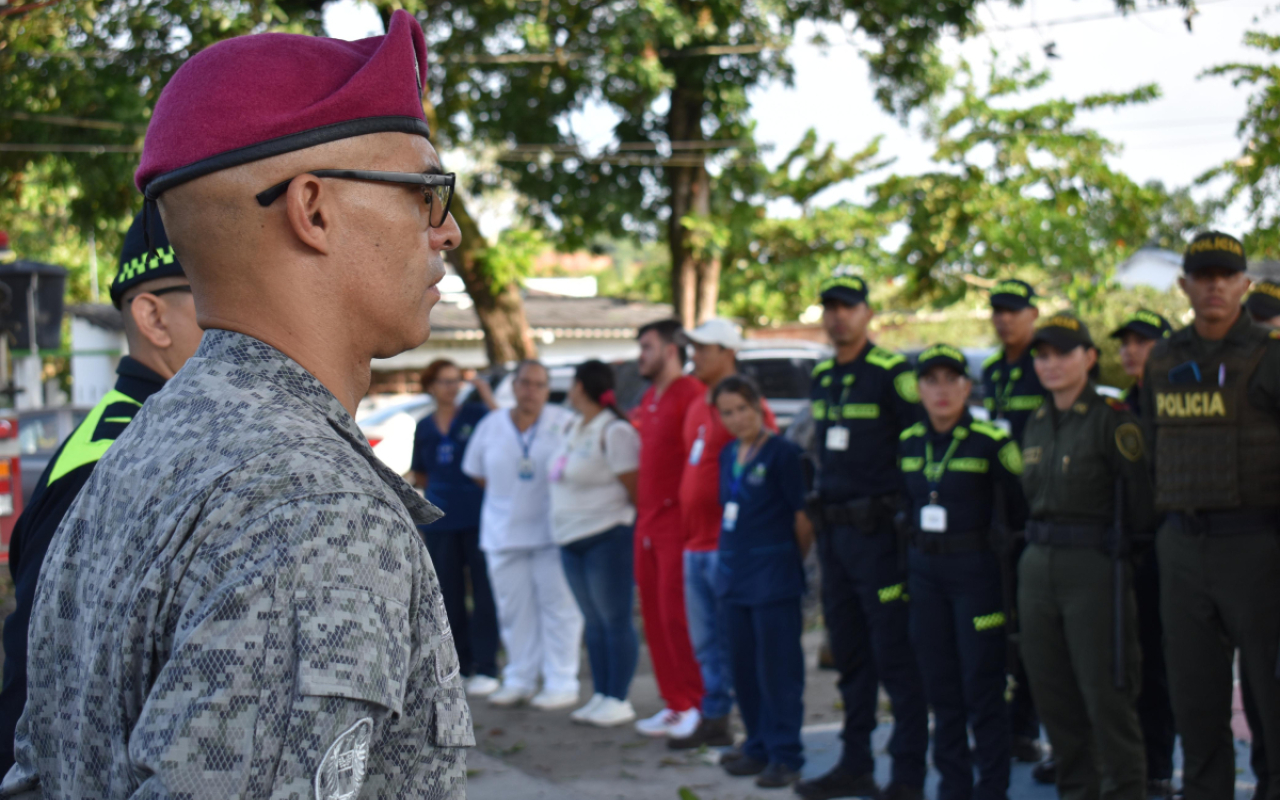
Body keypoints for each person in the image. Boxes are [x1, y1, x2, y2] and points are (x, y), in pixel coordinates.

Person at [3, 14, 473, 799]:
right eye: (425, 195)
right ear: (313, 209)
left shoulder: (142, 448)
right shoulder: (316, 506)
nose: (448, 231)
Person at [0, 210, 202, 777]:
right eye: (217, 297)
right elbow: (46, 686)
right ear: (153, 316)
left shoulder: (161, 435)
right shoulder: (113, 465)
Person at [1139, 231, 1280, 800]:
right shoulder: (1163, 359)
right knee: (1196, 703)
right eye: (1203, 275)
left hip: (1258, 546)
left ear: (1245, 284)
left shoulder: (1271, 358)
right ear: (1185, 285)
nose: (1215, 285)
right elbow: (1153, 448)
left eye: (1226, 275)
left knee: (1272, 701)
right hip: (1183, 547)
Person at [797, 268, 927, 800]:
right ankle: (855, 765)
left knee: (895, 657)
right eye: (830, 306)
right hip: (836, 540)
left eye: (847, 306)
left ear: (867, 313)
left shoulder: (891, 373)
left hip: (881, 540)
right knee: (849, 657)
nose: (837, 315)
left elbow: (919, 446)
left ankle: (906, 776)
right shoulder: (825, 378)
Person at [1019, 312, 1156, 800]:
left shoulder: (1112, 419)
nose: (1051, 364)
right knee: (1054, 697)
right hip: (1038, 567)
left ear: (1090, 358)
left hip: (1093, 568)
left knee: (1107, 698)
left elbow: (1141, 508)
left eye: (1063, 353)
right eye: (1043, 355)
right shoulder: (1035, 423)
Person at [899, 344, 1028, 800]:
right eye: (930, 380)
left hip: (976, 578)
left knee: (983, 686)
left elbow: (1020, 512)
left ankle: (992, 788)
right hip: (925, 576)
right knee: (941, 690)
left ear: (967, 387)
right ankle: (953, 787)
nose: (941, 390)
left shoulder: (993, 442)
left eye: (951, 379)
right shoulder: (909, 442)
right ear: (919, 389)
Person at [672, 317, 778, 750]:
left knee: (736, 641)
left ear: (728, 353)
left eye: (703, 348)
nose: (694, 355)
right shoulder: (700, 403)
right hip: (695, 543)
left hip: (727, 544)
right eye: (693, 347)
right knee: (705, 642)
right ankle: (715, 716)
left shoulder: (747, 404)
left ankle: (757, 726)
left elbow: (768, 463)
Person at [461, 360, 582, 710]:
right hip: (503, 533)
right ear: (514, 386)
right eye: (525, 383)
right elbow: (476, 473)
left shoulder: (564, 422)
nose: (532, 391)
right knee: (514, 612)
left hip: (551, 534)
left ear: (548, 390)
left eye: (539, 385)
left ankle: (561, 681)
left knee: (560, 609)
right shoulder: (492, 425)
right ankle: (520, 677)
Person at [712, 375, 812, 789]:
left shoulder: (785, 454)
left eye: (743, 409)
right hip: (736, 577)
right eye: (727, 412)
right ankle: (756, 744)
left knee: (778, 671)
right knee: (744, 669)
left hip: (773, 578)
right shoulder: (727, 455)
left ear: (758, 406)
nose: (737, 419)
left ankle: (785, 753)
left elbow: (803, 520)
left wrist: (787, 560)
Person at [548, 360, 642, 727]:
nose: (569, 390)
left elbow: (634, 489)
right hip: (569, 537)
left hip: (607, 535)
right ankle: (602, 694)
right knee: (594, 621)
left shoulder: (615, 431)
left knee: (614, 619)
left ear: (582, 386)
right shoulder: (574, 425)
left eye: (572, 383)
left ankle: (619, 697)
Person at [1108, 309, 1178, 799]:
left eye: (1144, 341)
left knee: (1158, 663)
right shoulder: (1123, 406)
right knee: (1124, 663)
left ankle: (1158, 765)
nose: (1131, 350)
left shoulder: (1175, 400)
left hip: (1169, 547)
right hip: (1126, 552)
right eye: (1126, 342)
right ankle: (1131, 765)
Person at [980, 277, 1046, 766]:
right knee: (1008, 627)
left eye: (1013, 310)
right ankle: (1016, 725)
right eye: (997, 311)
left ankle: (1034, 725)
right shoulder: (994, 371)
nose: (1004, 319)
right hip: (1003, 516)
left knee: (1039, 630)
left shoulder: (1043, 364)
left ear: (1032, 315)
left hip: (1042, 509)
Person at [631, 319, 706, 739]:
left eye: (647, 346)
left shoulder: (691, 395)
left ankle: (696, 702)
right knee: (655, 619)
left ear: (671, 350)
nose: (641, 355)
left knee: (678, 617)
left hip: (676, 525)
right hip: (646, 523)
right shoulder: (649, 396)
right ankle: (675, 703)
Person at [410, 358, 500, 698]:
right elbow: (421, 473)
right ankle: (460, 662)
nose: (451, 388)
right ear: (431, 386)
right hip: (441, 520)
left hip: (476, 515)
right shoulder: (425, 425)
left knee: (483, 590)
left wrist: (484, 391)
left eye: (455, 381)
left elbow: (502, 424)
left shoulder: (474, 416)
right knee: (447, 593)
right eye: (444, 382)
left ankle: (488, 663)